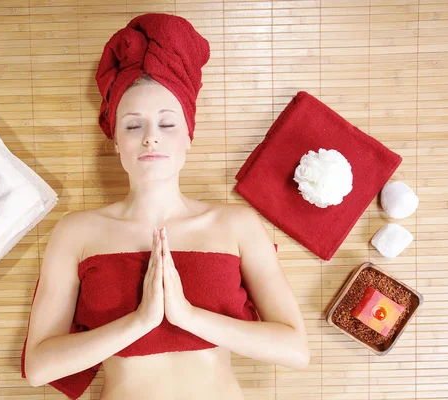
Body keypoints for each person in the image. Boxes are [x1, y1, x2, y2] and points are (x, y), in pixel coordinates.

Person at [22, 13, 309, 400]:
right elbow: (40, 366)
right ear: (115, 140)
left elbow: (294, 349)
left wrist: (188, 315)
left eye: (168, 124)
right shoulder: (77, 232)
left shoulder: (235, 224)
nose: (151, 139)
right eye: (133, 125)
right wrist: (141, 320)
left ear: (188, 137)